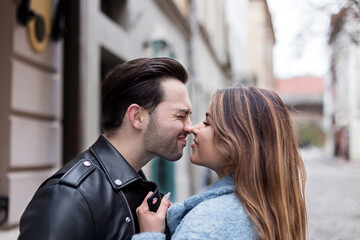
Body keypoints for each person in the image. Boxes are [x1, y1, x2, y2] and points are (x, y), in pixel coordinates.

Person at [18, 57, 192, 240]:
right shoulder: (69, 196)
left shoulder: (137, 190)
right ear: (137, 117)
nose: (190, 127)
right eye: (181, 115)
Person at [133, 85, 307, 240]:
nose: (194, 128)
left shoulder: (208, 220)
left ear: (236, 141)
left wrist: (150, 234)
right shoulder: (271, 210)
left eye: (207, 123)